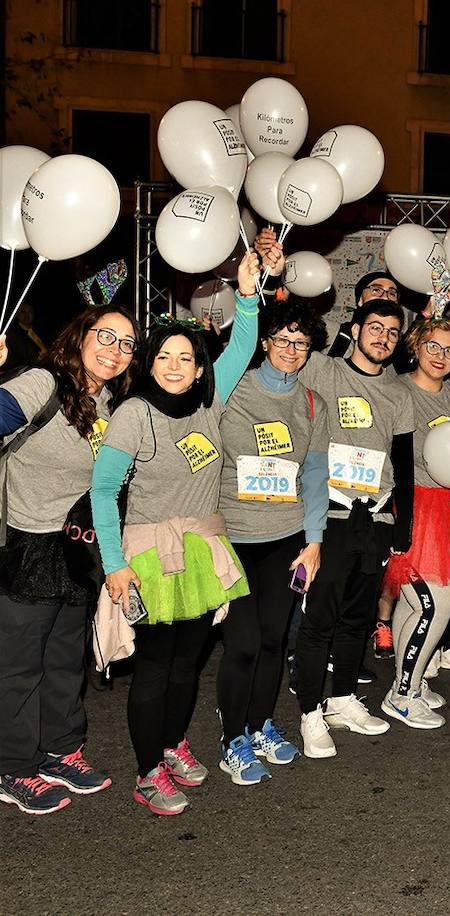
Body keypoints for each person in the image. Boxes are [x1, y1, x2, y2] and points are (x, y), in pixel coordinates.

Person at [91, 250, 266, 815]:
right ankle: (146, 771)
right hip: (147, 558)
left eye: (185, 357)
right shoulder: (133, 414)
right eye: (164, 355)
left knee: (189, 662)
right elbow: (102, 493)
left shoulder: (210, 405)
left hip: (201, 553)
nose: (174, 365)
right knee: (155, 666)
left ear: (199, 367)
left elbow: (241, 347)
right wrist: (114, 565)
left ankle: (170, 744)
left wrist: (246, 296)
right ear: (149, 362)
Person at [0, 306, 140, 815]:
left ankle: (60, 750)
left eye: (126, 344)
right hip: (29, 542)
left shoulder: (111, 402)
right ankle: (14, 765)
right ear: (79, 336)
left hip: (78, 547)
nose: (115, 350)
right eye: (106, 336)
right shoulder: (43, 384)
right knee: (20, 666)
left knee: (64, 661)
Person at [293, 291, 416, 758]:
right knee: (319, 619)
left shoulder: (399, 391)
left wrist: (401, 525)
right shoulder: (324, 370)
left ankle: (342, 698)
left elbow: (401, 460)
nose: (383, 338)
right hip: (330, 515)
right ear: (356, 330)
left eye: (391, 331)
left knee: (358, 617)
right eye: (375, 328)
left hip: (377, 517)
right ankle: (309, 713)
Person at [214, 301, 328, 784]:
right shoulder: (231, 389)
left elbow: (317, 476)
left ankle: (260, 724)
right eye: (281, 339)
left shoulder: (311, 404)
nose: (290, 349)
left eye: (300, 343)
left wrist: (315, 540)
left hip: (286, 540)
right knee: (240, 644)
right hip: (232, 537)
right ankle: (232, 738)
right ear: (264, 342)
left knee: (271, 641)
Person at [379, 319, 450, 727]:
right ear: (416, 345)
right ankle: (402, 694)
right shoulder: (396, 390)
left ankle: (412, 681)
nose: (441, 357)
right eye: (433, 347)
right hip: (413, 511)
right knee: (433, 605)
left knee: (418, 607)